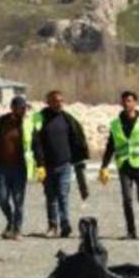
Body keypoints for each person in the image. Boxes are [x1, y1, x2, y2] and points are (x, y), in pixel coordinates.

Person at [98, 91, 139, 239]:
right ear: (121, 103)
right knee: (127, 199)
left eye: (130, 101)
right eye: (124, 101)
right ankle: (131, 231)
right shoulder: (116, 124)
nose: (127, 104)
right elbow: (111, 146)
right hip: (124, 166)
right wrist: (104, 166)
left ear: (135, 102)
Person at [31, 90, 90, 238]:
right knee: (51, 197)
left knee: (63, 195)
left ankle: (65, 224)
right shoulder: (40, 119)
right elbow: (36, 143)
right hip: (47, 166)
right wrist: (40, 165)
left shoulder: (68, 119)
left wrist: (78, 160)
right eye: (56, 101)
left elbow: (76, 140)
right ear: (49, 102)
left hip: (65, 164)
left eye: (61, 101)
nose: (59, 104)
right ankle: (52, 226)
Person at [0, 96, 34, 240]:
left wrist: (41, 164)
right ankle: (11, 220)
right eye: (22, 108)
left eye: (25, 108)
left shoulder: (26, 124)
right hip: (3, 168)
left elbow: (35, 144)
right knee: (2, 198)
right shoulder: (2, 122)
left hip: (20, 168)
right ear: (13, 107)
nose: (24, 110)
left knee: (18, 201)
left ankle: (17, 229)